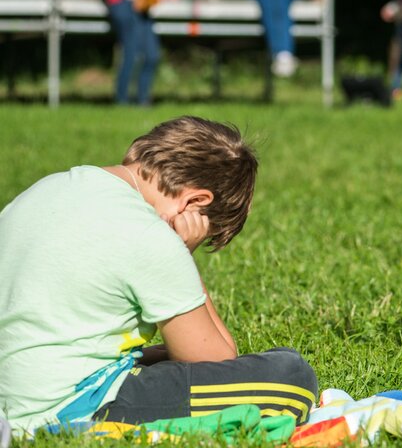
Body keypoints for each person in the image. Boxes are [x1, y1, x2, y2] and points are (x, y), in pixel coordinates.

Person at [0, 116, 317, 433]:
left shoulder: (49, 187)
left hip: (15, 391)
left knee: (163, 355)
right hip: (65, 406)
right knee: (292, 376)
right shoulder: (148, 233)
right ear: (195, 201)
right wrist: (181, 252)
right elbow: (215, 360)